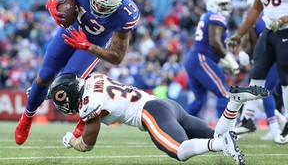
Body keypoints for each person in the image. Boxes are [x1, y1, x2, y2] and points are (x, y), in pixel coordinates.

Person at [14, 0, 140, 145]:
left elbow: (117, 57)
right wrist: (51, 2)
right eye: (96, 2)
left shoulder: (126, 13)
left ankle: (82, 123)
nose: (97, 8)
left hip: (93, 43)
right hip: (71, 30)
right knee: (45, 75)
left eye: (104, 7)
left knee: (69, 84)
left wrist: (88, 46)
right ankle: (27, 117)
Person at [48, 73, 269, 164]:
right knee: (216, 133)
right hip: (167, 106)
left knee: (180, 151)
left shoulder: (89, 104)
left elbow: (88, 143)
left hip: (150, 113)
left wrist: (71, 141)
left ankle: (222, 145)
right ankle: (235, 103)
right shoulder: (95, 78)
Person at [226, 0, 288, 144]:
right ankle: (248, 119)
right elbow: (256, 9)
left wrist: (285, 18)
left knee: (285, 79)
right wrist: (239, 34)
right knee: (257, 75)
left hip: (286, 30)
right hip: (270, 31)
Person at [234, 0, 286, 140]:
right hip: (274, 58)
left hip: (276, 59)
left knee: (263, 91)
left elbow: (263, 46)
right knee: (254, 92)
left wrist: (250, 56)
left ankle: (276, 128)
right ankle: (246, 125)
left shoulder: (263, 21)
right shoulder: (266, 19)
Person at [184, 0, 240, 118]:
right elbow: (214, 43)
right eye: (223, 4)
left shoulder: (207, 16)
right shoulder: (216, 16)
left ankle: (181, 126)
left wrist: (225, 62)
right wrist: (230, 61)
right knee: (224, 93)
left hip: (194, 59)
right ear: (214, 4)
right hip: (201, 59)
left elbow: (211, 46)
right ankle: (224, 130)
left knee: (199, 99)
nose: (226, 8)